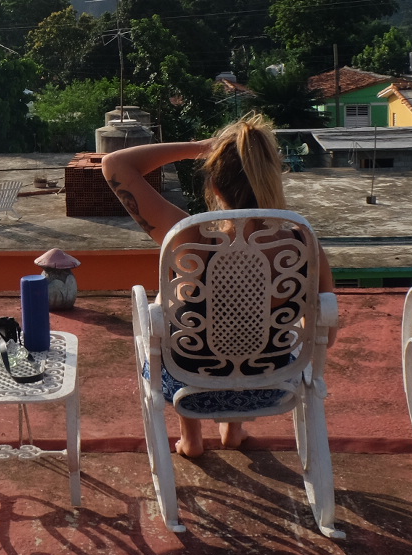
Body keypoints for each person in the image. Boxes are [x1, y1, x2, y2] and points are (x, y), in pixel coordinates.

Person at [101, 111, 338, 458]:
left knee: (171, 302)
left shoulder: (189, 238)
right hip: (270, 386)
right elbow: (327, 334)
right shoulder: (303, 244)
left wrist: (199, 147)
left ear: (214, 186)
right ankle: (234, 430)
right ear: (273, 180)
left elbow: (115, 164)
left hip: (190, 389)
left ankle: (190, 438)